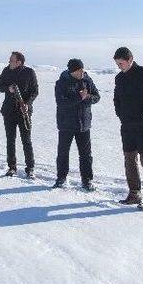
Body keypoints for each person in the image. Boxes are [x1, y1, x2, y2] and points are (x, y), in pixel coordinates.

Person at [113, 47, 143, 209]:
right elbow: (117, 99)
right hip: (127, 126)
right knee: (129, 160)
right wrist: (120, 114)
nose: (119, 66)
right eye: (117, 63)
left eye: (121, 63)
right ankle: (134, 194)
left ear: (130, 60)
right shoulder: (119, 78)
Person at [53, 59, 100, 191]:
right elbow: (61, 102)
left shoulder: (87, 80)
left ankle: (87, 180)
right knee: (63, 153)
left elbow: (97, 97)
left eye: (82, 69)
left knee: (86, 154)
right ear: (72, 71)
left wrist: (87, 98)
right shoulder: (62, 83)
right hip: (66, 123)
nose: (82, 72)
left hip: (83, 124)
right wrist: (79, 98)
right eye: (79, 70)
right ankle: (61, 178)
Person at [0, 51, 39, 178]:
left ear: (19, 62)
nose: (9, 62)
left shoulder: (29, 72)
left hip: (24, 112)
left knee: (26, 140)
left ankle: (30, 168)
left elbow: (35, 91)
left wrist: (27, 103)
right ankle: (11, 167)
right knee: (10, 140)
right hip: (9, 111)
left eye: (11, 60)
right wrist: (8, 88)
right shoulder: (6, 71)